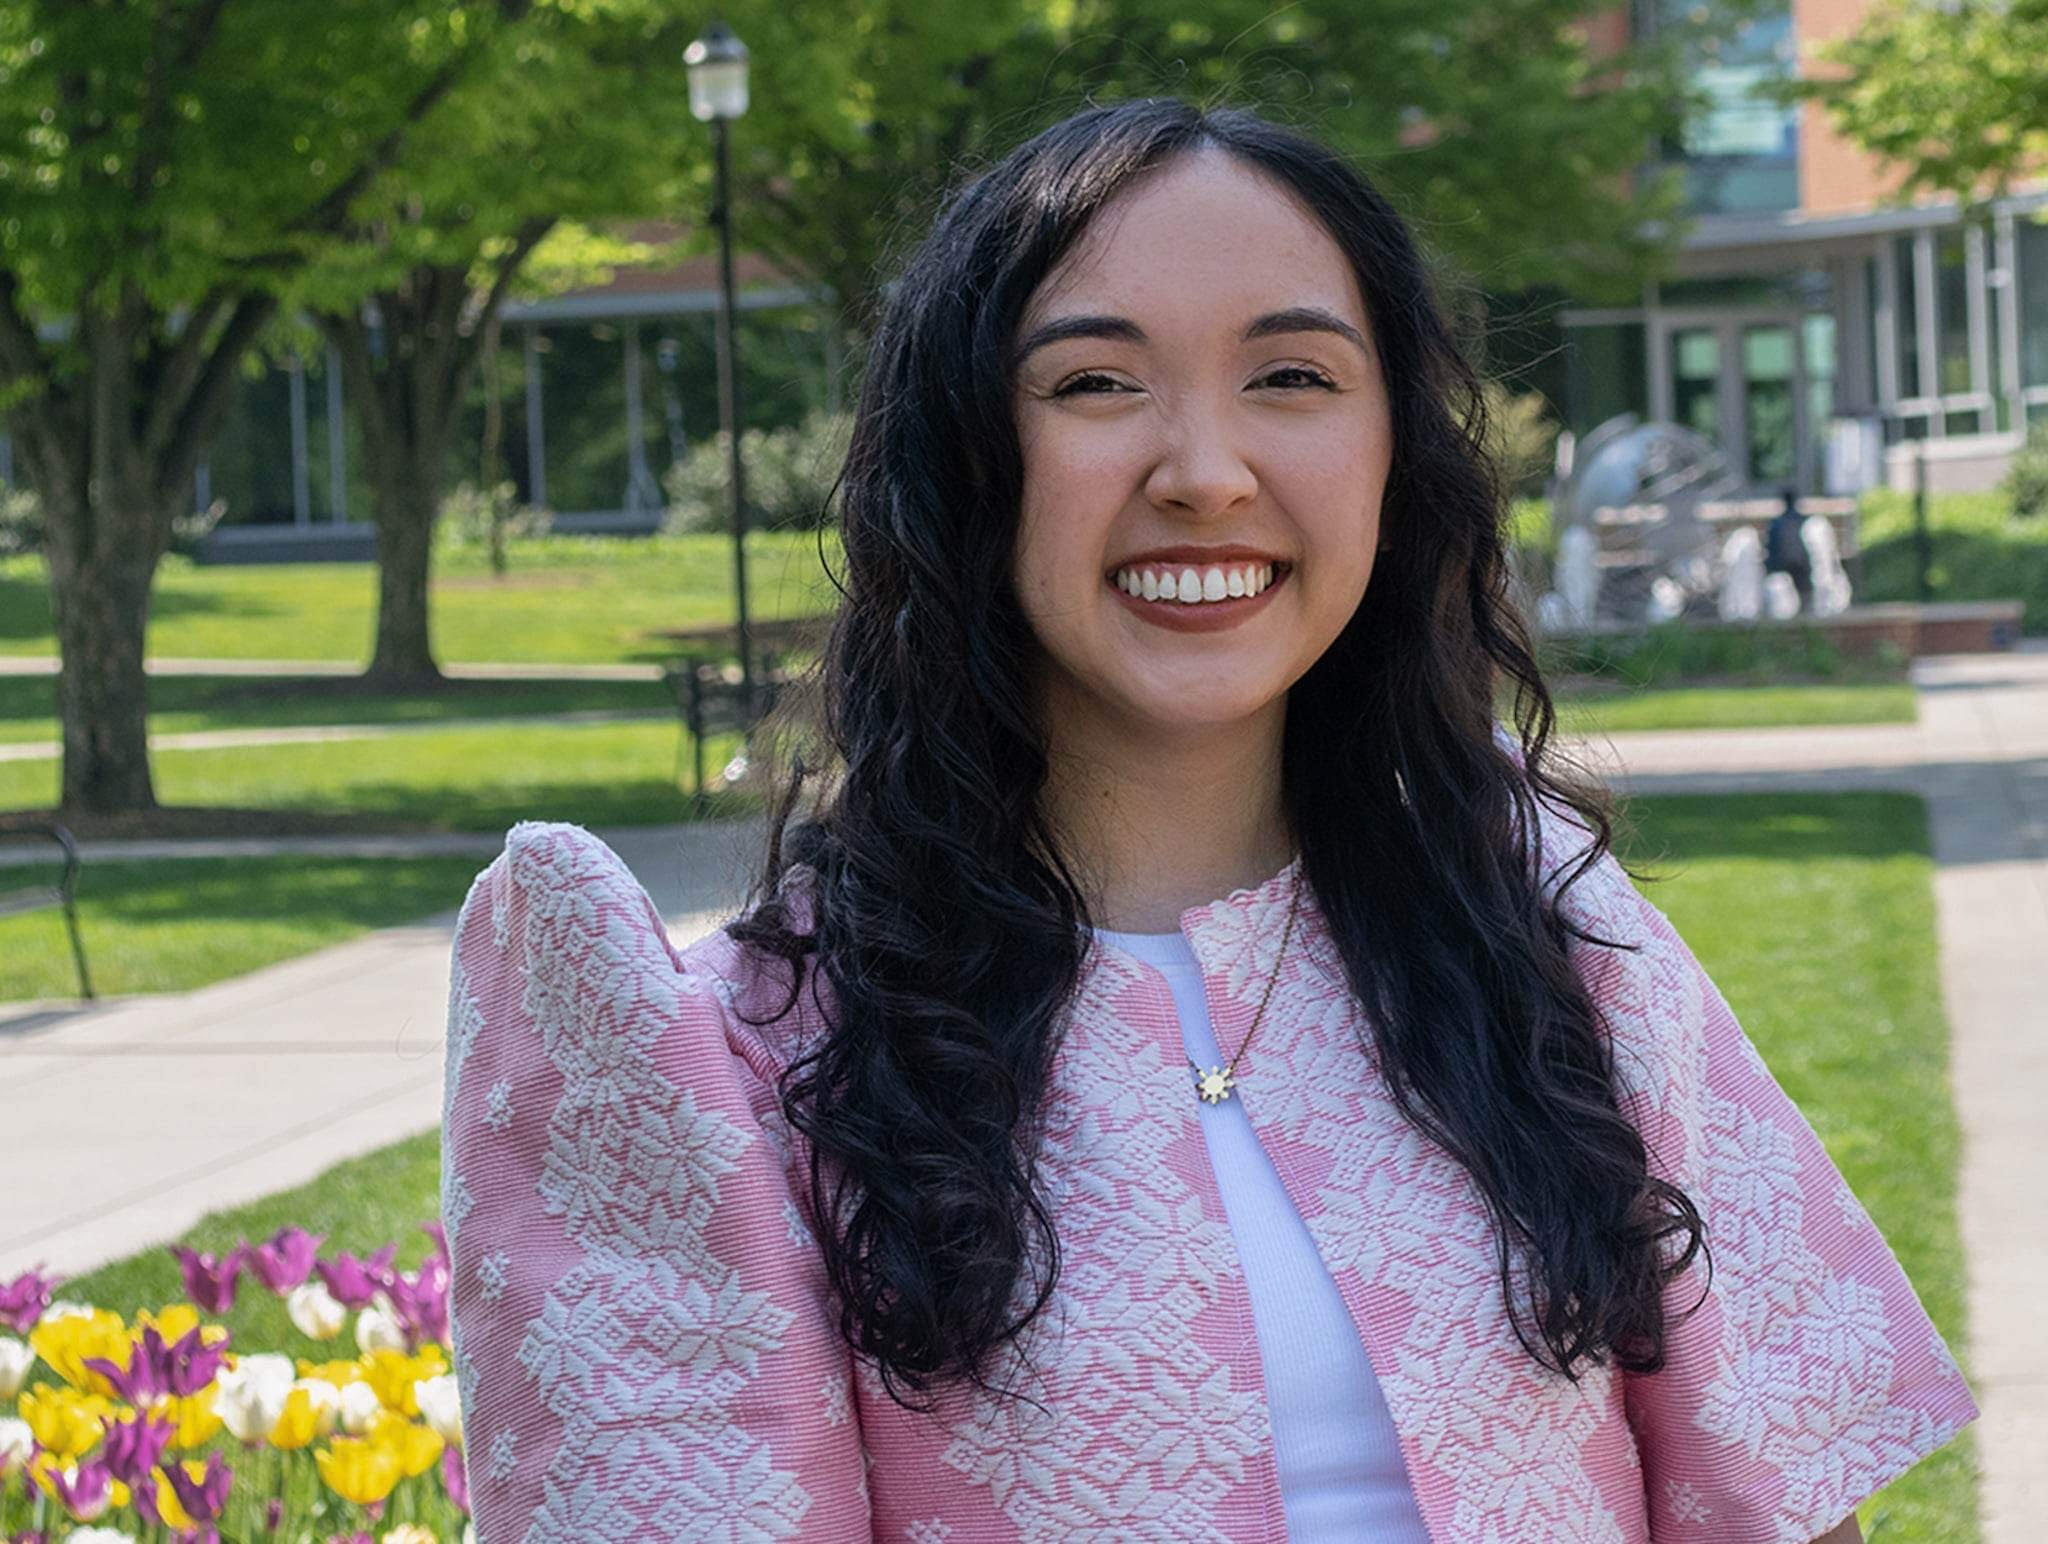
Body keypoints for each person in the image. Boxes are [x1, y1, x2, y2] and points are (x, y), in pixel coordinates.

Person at [441, 101, 1976, 1542]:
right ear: (965, 462)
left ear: (1392, 456)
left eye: (1292, 377)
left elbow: (1784, 1493)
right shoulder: (739, 1061)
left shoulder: (1552, 943)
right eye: (1096, 382)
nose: (1206, 471)